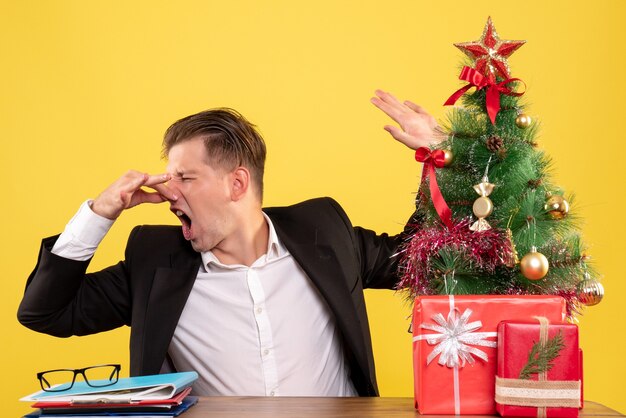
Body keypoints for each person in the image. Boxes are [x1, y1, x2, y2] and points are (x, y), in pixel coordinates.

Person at [18, 90, 440, 397]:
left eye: (184, 178)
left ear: (237, 183)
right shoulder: (154, 263)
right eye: (169, 178)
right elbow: (46, 313)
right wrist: (98, 213)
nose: (168, 191)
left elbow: (423, 259)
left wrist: (445, 158)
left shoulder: (324, 231)